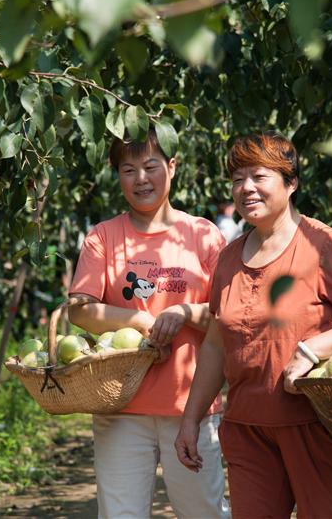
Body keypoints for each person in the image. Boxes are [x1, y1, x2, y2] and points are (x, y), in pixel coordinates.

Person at [174, 132, 332, 518]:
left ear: (291, 183)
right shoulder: (227, 259)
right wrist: (190, 420)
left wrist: (312, 351)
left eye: (259, 176)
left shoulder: (324, 245)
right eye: (237, 178)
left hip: (314, 426)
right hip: (247, 430)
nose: (246, 188)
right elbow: (214, 345)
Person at [68, 129, 230, 519]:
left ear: (171, 168)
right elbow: (80, 309)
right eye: (128, 169)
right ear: (118, 176)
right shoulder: (104, 238)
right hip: (121, 406)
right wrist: (140, 320)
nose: (141, 178)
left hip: (192, 406)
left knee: (204, 512)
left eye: (150, 166)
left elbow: (229, 317)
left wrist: (185, 313)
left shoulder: (203, 236)